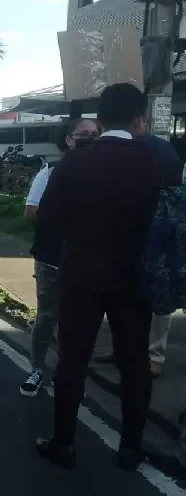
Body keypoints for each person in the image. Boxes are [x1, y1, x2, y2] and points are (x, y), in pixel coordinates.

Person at [34, 83, 181, 471]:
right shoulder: (159, 163)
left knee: (72, 360)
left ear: (99, 120)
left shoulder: (74, 162)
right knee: (134, 364)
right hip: (136, 279)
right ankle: (131, 448)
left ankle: (63, 443)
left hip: (81, 274)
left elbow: (46, 219)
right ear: (138, 120)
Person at [19, 118, 100, 397]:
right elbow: (31, 212)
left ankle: (68, 374)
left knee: (78, 320)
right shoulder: (50, 172)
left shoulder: (104, 173)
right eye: (83, 134)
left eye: (95, 134)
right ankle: (37, 369)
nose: (90, 139)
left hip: (88, 259)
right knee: (47, 316)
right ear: (68, 139)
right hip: (51, 257)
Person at [94, 135, 184, 378]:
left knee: (159, 305)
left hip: (158, 251)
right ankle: (120, 348)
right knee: (122, 301)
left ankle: (155, 355)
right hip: (129, 249)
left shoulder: (169, 195)